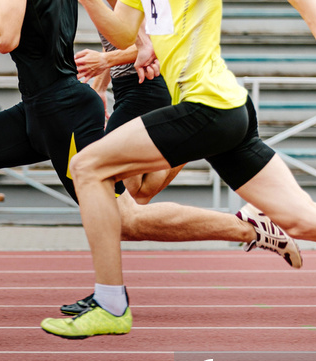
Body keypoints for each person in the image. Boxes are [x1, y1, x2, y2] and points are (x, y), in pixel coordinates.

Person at [0, 0, 299, 343]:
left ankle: (251, 228)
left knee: (126, 219)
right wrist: (114, 68)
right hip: (40, 108)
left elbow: (3, 37)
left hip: (62, 111)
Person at [41, 0, 316, 339]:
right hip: (225, 108)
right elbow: (122, 33)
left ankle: (109, 304)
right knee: (303, 218)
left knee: (87, 166)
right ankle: (110, 303)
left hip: (208, 105)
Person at [60, 0, 302, 315]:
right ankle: (200, 149)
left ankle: (106, 296)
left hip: (148, 88)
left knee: (118, 192)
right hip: (129, 89)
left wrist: (104, 61)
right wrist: (100, 86)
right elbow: (119, 39)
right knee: (140, 193)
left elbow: (148, 43)